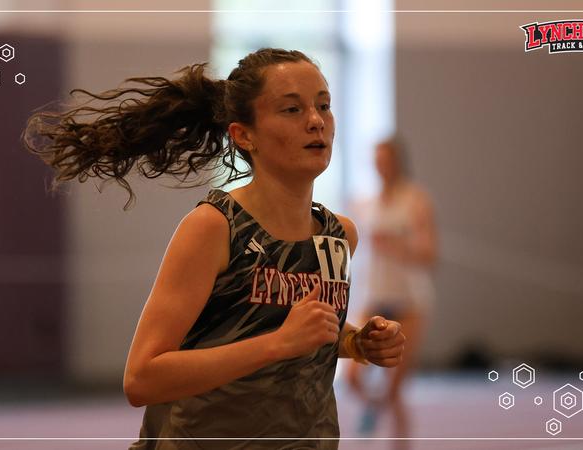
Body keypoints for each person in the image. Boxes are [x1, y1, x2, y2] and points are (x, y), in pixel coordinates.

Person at [23, 48, 406, 449]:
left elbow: (288, 326)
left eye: (324, 105)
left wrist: (357, 342)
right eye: (292, 109)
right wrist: (276, 345)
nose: (316, 121)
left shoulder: (339, 236)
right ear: (244, 135)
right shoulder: (214, 228)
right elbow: (141, 378)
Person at [346, 137, 437, 442]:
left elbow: (429, 254)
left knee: (395, 388)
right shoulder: (363, 203)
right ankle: (373, 407)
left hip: (409, 300)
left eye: (385, 160)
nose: (380, 166)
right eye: (376, 160)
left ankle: (400, 441)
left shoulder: (415, 199)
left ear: (397, 162)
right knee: (353, 376)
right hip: (374, 296)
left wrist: (398, 245)